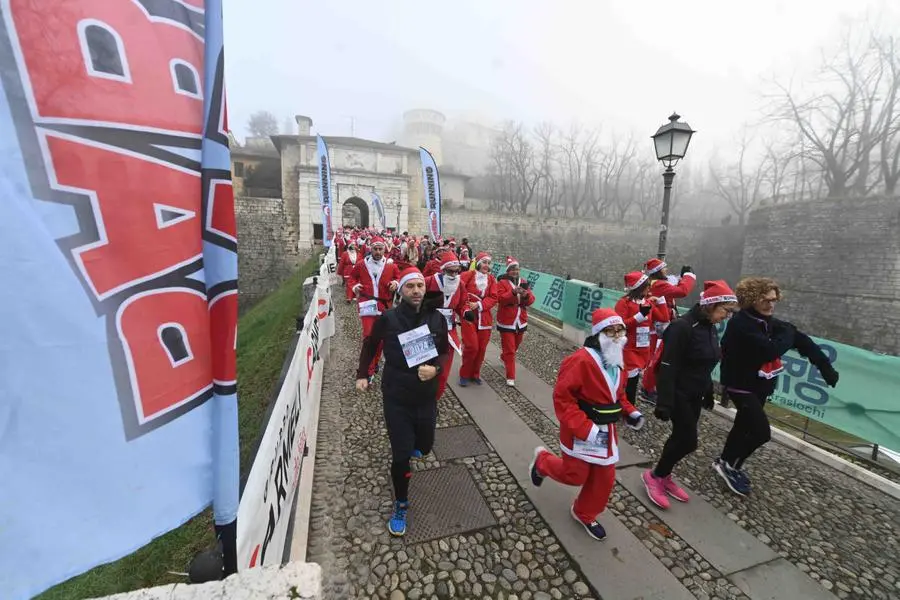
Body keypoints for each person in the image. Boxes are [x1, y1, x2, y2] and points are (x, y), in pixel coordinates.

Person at [713, 277, 839, 495]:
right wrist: (789, 334)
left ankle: (724, 461)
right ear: (752, 299)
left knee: (742, 427)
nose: (771, 305)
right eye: (765, 300)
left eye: (774, 300)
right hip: (740, 384)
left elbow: (802, 340)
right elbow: (770, 350)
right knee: (761, 433)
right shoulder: (740, 323)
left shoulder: (768, 321)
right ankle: (730, 466)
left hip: (760, 386)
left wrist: (824, 366)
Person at [529, 308, 645, 541]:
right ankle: (543, 462)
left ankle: (584, 512)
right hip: (580, 429)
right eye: (610, 331)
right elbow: (563, 398)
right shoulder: (579, 361)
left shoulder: (618, 361)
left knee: (605, 478)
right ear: (598, 334)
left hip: (606, 431)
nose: (616, 336)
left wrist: (630, 412)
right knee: (575, 475)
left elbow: (618, 395)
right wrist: (585, 428)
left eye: (620, 331)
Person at [355, 267, 451, 536]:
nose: (417, 291)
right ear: (401, 290)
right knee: (401, 456)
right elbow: (370, 344)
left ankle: (416, 442)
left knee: (425, 446)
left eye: (420, 285)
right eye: (411, 286)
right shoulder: (388, 319)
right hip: (396, 396)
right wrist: (364, 374)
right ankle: (401, 504)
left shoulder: (436, 319)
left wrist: (437, 370)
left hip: (426, 395)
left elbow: (444, 352)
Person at [642, 280, 739, 509]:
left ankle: (663, 475)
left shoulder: (709, 328)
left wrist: (707, 393)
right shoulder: (682, 327)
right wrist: (664, 402)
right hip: (678, 393)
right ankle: (655, 476)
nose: (727, 316)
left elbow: (705, 364)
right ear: (711, 305)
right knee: (688, 441)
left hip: (695, 393)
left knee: (679, 438)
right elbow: (667, 365)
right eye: (725, 310)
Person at [641, 259, 698, 402]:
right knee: (655, 358)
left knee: (658, 357)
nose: (666, 270)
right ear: (658, 271)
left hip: (659, 323)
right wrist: (688, 276)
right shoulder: (659, 285)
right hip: (660, 325)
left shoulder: (655, 284)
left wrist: (682, 277)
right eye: (664, 268)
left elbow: (673, 287)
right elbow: (682, 291)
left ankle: (651, 387)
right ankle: (648, 389)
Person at [349, 237, 400, 384]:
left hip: (384, 305)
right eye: (375, 249)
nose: (378, 252)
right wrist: (354, 287)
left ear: (385, 250)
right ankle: (367, 370)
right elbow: (352, 278)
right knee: (369, 336)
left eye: (380, 249)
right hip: (367, 304)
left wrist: (395, 283)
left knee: (382, 339)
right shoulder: (361, 264)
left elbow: (398, 277)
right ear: (370, 249)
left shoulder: (391, 265)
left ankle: (375, 362)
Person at [614, 272, 668, 407]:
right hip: (628, 348)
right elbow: (619, 326)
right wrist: (639, 316)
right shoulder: (624, 303)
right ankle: (627, 408)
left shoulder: (647, 303)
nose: (649, 288)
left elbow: (663, 318)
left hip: (643, 348)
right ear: (639, 287)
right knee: (630, 382)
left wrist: (661, 301)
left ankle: (624, 405)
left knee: (633, 380)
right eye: (647, 286)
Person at [426, 253, 467, 400]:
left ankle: (435, 398)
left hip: (449, 332)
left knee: (443, 370)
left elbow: (463, 304)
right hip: (429, 328)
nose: (454, 274)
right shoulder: (430, 281)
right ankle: (421, 397)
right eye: (451, 271)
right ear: (443, 269)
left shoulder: (460, 284)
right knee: (425, 364)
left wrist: (465, 312)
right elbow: (414, 293)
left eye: (457, 271)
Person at [458, 252, 498, 386]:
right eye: (484, 262)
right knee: (472, 346)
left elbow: (493, 297)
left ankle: (475, 374)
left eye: (488, 263)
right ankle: (464, 374)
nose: (486, 265)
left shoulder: (492, 279)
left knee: (481, 349)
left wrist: (480, 304)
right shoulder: (467, 275)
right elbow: (459, 293)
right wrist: (466, 308)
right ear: (479, 263)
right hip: (469, 315)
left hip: (484, 317)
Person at [495, 256, 535, 387]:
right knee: (511, 350)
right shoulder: (501, 283)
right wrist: (512, 292)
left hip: (520, 320)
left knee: (516, 345)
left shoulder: (523, 282)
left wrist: (526, 295)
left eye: (516, 269)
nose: (515, 272)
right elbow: (500, 299)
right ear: (507, 271)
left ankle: (503, 357)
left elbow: (531, 300)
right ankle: (510, 376)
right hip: (506, 320)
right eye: (512, 269)